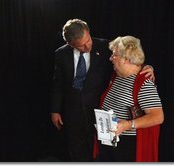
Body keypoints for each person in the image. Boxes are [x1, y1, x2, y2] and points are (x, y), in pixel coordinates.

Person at [50, 19, 155, 162]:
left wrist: (146, 67)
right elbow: (58, 84)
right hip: (73, 111)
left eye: (88, 40)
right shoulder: (61, 54)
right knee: (76, 149)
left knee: (98, 151)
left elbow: (129, 58)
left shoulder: (104, 46)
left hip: (97, 109)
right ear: (71, 44)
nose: (88, 46)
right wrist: (55, 110)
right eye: (82, 45)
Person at [97, 35, 164, 162]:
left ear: (127, 59)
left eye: (115, 55)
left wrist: (128, 125)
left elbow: (158, 117)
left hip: (128, 146)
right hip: (110, 140)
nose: (110, 58)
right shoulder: (117, 75)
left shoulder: (144, 82)